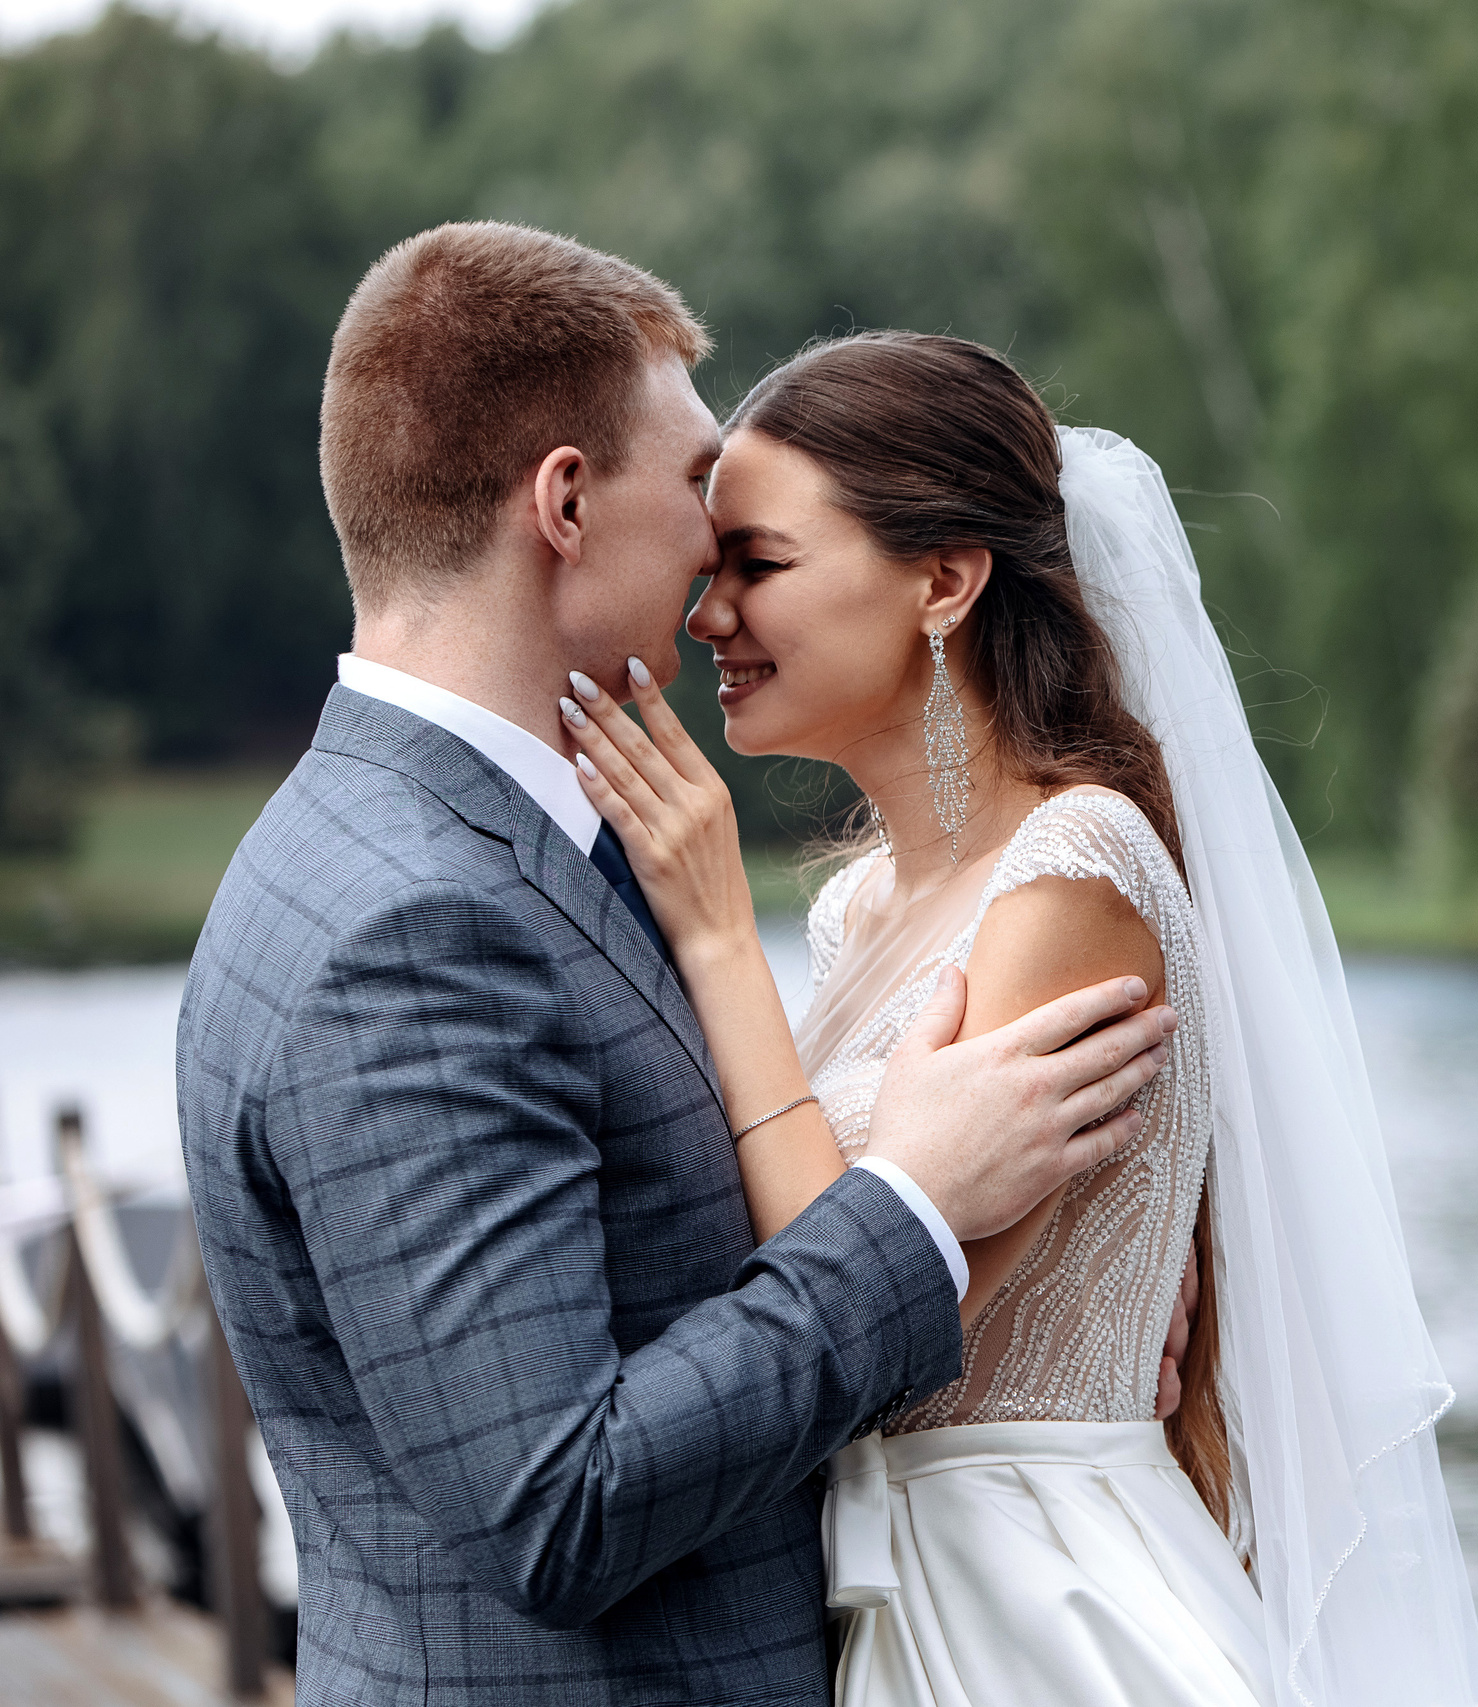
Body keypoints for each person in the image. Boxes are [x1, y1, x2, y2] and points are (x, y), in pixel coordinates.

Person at [175, 225, 1182, 1707]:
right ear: (566, 502)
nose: (713, 565)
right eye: (702, 487)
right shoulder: (418, 925)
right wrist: (917, 1209)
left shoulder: (474, 848)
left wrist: (1080, 1325)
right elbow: (558, 1499)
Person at [559, 330, 1478, 1706]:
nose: (710, 617)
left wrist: (715, 934)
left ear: (943, 580)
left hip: (1049, 1611)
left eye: (758, 564)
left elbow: (864, 1333)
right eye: (713, 571)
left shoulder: (1074, 871)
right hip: (898, 1598)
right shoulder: (860, 911)